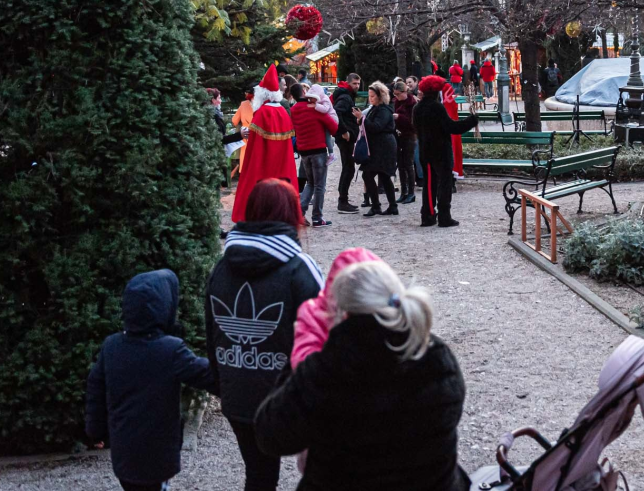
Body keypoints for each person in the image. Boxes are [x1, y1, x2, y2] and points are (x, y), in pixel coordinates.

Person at [254, 259, 470, 491]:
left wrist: (297, 356)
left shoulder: (326, 370)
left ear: (343, 312)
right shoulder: (435, 357)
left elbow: (271, 435)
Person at [208, 179, 324, 491]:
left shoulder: (220, 268)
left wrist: (222, 384)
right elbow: (325, 337)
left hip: (238, 392)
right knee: (322, 471)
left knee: (259, 476)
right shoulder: (300, 269)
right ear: (291, 214)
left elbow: (212, 334)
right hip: (292, 396)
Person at [85, 270, 216, 491]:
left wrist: (95, 431)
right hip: (157, 455)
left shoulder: (112, 346)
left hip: (124, 453)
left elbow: (95, 390)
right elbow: (207, 375)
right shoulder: (170, 349)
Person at [231, 65, 299, 223]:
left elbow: (255, 146)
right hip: (282, 165)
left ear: (262, 94)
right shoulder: (282, 112)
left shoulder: (261, 113)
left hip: (262, 165)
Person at [414, 75, 479, 228]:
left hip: (425, 150)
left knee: (429, 185)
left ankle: (428, 216)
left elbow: (415, 128)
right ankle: (444, 216)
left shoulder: (417, 108)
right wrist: (472, 121)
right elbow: (452, 127)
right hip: (441, 151)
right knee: (444, 184)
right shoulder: (437, 107)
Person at [291, 84, 340, 227]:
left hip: (303, 151)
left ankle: (300, 212)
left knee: (310, 183)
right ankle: (317, 217)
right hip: (318, 149)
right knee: (320, 185)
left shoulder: (294, 109)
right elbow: (333, 127)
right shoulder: (314, 107)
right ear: (304, 92)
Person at [357, 81, 398, 216]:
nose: (370, 99)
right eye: (369, 96)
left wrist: (362, 118)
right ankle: (389, 206)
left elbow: (377, 126)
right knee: (381, 176)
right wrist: (361, 120)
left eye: (373, 96)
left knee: (374, 175)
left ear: (380, 96)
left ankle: (378, 206)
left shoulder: (384, 110)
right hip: (378, 146)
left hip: (383, 147)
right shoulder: (376, 108)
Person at [332, 73, 362, 214]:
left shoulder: (346, 95)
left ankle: (343, 199)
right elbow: (337, 112)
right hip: (345, 138)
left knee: (348, 168)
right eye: (354, 84)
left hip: (346, 137)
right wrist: (344, 131)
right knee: (348, 168)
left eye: (358, 83)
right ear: (348, 83)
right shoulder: (345, 97)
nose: (357, 86)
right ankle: (342, 201)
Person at [393, 81, 418, 204]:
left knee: (408, 164)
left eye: (398, 94)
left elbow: (413, 123)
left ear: (405, 92)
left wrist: (399, 118)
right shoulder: (397, 102)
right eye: (395, 94)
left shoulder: (412, 103)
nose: (396, 96)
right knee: (401, 165)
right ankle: (403, 191)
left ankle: (411, 192)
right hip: (399, 136)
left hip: (409, 136)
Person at [232, 87, 256, 172]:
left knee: (245, 164)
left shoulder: (243, 104)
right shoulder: (262, 104)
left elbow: (234, 120)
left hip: (246, 135)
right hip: (258, 134)